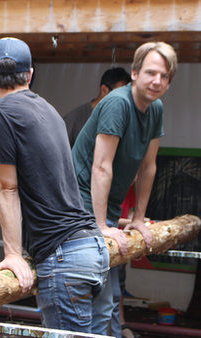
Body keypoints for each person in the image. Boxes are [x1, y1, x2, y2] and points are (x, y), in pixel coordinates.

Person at [0, 37, 109, 333]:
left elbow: (6, 188)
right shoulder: (49, 109)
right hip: (93, 249)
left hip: (65, 257)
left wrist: (13, 254)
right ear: (30, 75)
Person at [72, 41, 177, 338]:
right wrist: (101, 225)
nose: (157, 81)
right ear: (135, 73)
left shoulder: (155, 109)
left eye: (164, 76)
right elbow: (100, 167)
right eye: (151, 73)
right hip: (80, 200)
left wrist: (139, 217)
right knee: (97, 298)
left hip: (111, 204)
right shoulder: (118, 104)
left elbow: (148, 167)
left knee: (109, 299)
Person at [63, 67, 131, 148]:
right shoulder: (75, 118)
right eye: (119, 94)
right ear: (104, 90)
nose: (124, 100)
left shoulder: (124, 120)